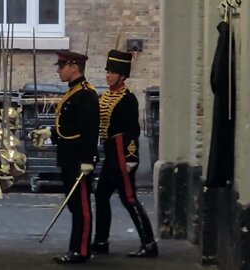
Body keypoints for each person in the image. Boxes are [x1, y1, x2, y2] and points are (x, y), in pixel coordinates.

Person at [30, 50, 100, 264]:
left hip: (80, 158)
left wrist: (88, 159)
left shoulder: (86, 94)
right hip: (69, 157)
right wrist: (50, 132)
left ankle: (82, 249)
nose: (59, 70)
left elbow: (89, 130)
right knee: (74, 205)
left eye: (62, 66)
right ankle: (76, 247)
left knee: (81, 206)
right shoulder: (74, 92)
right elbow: (69, 126)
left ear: (74, 67)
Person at [92, 49, 158, 258]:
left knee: (129, 198)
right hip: (110, 152)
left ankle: (149, 243)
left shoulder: (128, 99)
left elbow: (132, 132)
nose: (108, 75)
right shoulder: (106, 97)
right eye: (108, 71)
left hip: (122, 153)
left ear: (122, 75)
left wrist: (131, 158)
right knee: (101, 194)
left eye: (112, 72)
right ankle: (101, 240)